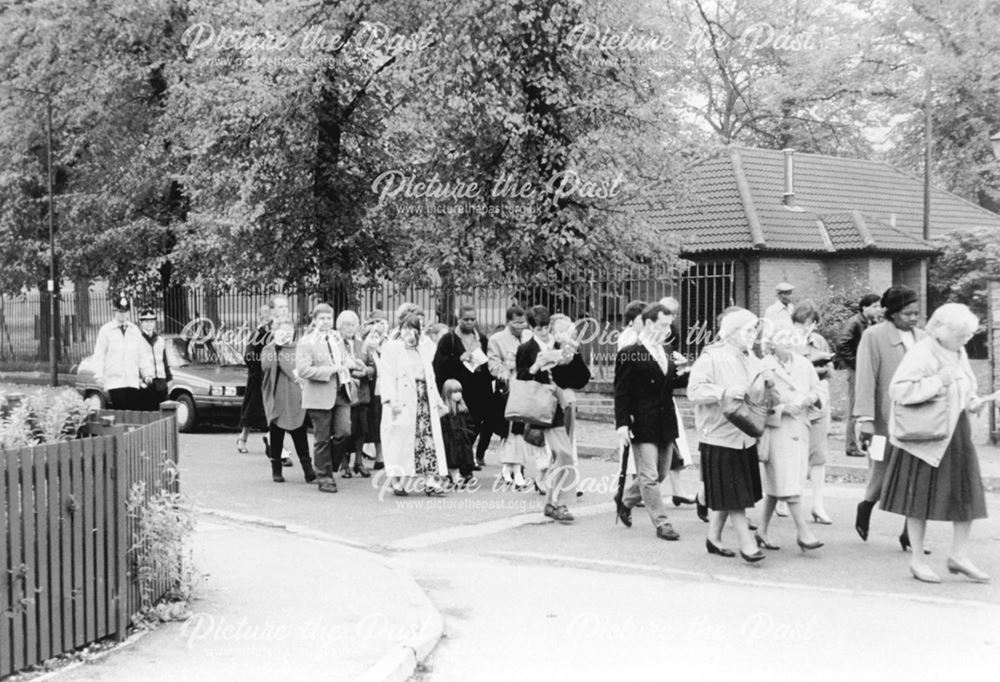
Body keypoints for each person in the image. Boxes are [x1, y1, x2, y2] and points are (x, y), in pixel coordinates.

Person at [879, 303, 990, 583]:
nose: (966, 340)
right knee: (920, 500)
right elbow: (899, 390)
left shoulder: (958, 350)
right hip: (926, 437)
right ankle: (916, 560)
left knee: (967, 497)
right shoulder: (922, 351)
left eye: (968, 335)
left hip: (956, 433)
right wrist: (937, 382)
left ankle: (959, 556)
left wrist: (973, 401)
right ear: (941, 330)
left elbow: (965, 386)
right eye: (961, 335)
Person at [687, 307, 766, 563]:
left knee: (730, 489)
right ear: (731, 333)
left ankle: (713, 538)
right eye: (748, 329)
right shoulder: (712, 356)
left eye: (755, 329)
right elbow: (694, 391)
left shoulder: (750, 357)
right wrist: (722, 392)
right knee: (735, 495)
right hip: (719, 435)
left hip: (744, 434)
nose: (753, 334)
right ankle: (747, 543)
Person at [854, 286, 926, 549]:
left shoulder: (923, 338)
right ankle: (866, 506)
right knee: (880, 474)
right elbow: (865, 378)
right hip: (883, 420)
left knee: (917, 477)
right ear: (893, 313)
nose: (914, 318)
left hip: (917, 421)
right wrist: (865, 418)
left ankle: (910, 533)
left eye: (917, 313)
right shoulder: (873, 336)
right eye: (908, 313)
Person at [613, 302, 684, 541]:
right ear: (650, 323)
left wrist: (684, 374)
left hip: (665, 420)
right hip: (641, 421)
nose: (667, 329)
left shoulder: (665, 350)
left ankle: (625, 500)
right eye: (663, 324)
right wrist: (622, 425)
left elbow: (668, 383)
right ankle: (662, 523)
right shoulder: (630, 352)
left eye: (669, 325)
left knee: (662, 472)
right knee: (649, 475)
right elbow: (621, 392)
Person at [755, 322, 826, 553]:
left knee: (782, 483)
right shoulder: (763, 367)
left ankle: (762, 531)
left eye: (791, 339)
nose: (788, 343)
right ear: (771, 343)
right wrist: (781, 409)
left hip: (800, 427)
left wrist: (811, 398)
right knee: (788, 482)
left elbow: (819, 389)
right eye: (782, 339)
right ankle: (803, 533)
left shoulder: (804, 364)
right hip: (777, 430)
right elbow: (755, 403)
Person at [516, 305, 591, 523]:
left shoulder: (559, 344)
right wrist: (536, 366)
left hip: (557, 407)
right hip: (537, 405)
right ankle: (556, 502)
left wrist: (571, 357)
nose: (543, 331)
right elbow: (521, 380)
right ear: (531, 327)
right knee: (561, 454)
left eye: (546, 326)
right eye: (538, 328)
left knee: (565, 455)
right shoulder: (526, 349)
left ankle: (554, 501)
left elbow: (580, 379)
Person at [380, 313, 449, 496]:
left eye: (414, 329)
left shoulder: (423, 350)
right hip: (401, 400)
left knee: (426, 440)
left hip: (423, 401)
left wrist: (438, 401)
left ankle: (430, 481)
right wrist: (389, 399)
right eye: (405, 328)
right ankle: (397, 480)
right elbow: (385, 374)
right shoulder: (392, 348)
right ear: (399, 330)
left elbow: (431, 377)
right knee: (399, 440)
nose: (409, 333)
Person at [295, 303, 351, 494]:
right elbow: (303, 370)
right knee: (322, 438)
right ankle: (324, 477)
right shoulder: (306, 341)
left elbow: (343, 360)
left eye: (329, 318)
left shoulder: (337, 338)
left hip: (341, 391)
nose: (326, 322)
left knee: (344, 432)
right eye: (322, 318)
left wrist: (352, 365)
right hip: (319, 394)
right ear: (315, 320)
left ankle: (330, 465)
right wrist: (331, 370)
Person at [789, 300, 835, 524]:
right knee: (794, 456)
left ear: (814, 323)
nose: (801, 328)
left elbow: (830, 372)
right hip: (798, 406)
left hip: (818, 403)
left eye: (806, 324)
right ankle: (784, 499)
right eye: (798, 324)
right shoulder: (787, 342)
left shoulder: (820, 342)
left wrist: (823, 368)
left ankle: (818, 505)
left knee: (818, 457)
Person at [433, 305, 494, 469]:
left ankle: (469, 454)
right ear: (459, 319)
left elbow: (490, 362)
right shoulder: (449, 339)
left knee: (478, 422)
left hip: (480, 387)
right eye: (466, 319)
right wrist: (459, 359)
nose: (469, 322)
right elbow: (438, 364)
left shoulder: (482, 339)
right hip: (459, 389)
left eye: (472, 319)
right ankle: (461, 459)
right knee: (460, 424)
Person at [260, 320, 316, 484]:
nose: (286, 334)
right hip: (277, 398)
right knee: (276, 436)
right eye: (282, 331)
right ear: (275, 332)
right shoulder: (269, 349)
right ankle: (276, 470)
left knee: (300, 434)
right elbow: (265, 366)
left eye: (289, 330)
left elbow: (303, 366)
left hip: (296, 396)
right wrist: (276, 347)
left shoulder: (299, 348)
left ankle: (308, 470)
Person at [238, 295, 289, 454]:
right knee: (251, 411)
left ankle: (277, 444)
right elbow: (249, 355)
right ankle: (243, 438)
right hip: (259, 377)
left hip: (276, 376)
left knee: (274, 411)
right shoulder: (260, 332)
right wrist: (261, 367)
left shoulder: (284, 329)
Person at [835, 294, 883, 457]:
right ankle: (851, 445)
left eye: (879, 306)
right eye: (875, 306)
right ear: (865, 307)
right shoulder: (855, 322)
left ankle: (866, 443)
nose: (878, 309)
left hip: (868, 369)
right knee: (856, 408)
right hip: (857, 370)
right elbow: (842, 344)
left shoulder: (873, 323)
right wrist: (857, 363)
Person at [487, 305, 530, 479]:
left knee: (520, 429)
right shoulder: (497, 339)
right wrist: (509, 366)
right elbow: (493, 366)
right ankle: (509, 466)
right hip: (508, 389)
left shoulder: (528, 336)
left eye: (523, 322)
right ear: (508, 321)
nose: (520, 326)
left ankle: (517, 466)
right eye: (516, 322)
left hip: (527, 386)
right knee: (510, 429)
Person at [92, 295, 153, 412]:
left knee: (132, 413)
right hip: (115, 381)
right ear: (114, 311)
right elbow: (99, 355)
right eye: (120, 312)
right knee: (120, 413)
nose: (122, 315)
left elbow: (142, 354)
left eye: (125, 312)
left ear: (128, 312)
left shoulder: (134, 330)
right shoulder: (106, 330)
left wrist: (147, 373)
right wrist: (99, 376)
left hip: (132, 380)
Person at [337, 310, 375, 479]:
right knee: (345, 429)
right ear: (339, 327)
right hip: (345, 393)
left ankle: (359, 462)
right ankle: (344, 464)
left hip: (362, 392)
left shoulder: (362, 345)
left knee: (361, 429)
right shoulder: (336, 344)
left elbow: (373, 365)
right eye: (346, 324)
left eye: (353, 324)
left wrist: (366, 371)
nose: (350, 328)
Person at [361, 310, 389, 471]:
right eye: (377, 321)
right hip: (368, 386)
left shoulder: (389, 340)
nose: (380, 325)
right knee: (365, 422)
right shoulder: (366, 338)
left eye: (383, 321)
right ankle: (359, 455)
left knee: (380, 421)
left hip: (383, 387)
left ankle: (380, 456)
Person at [440, 379, 476, 486]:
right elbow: (443, 426)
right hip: (450, 439)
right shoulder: (445, 410)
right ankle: (454, 476)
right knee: (452, 458)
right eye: (455, 392)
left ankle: (462, 474)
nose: (458, 395)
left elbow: (470, 423)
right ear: (448, 393)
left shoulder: (462, 409)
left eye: (460, 392)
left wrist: (469, 433)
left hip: (463, 438)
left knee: (464, 457)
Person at [137, 309, 171, 411]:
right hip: (146, 383)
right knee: (148, 413)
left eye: (152, 321)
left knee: (164, 413)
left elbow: (164, 360)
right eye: (146, 321)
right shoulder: (138, 340)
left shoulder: (160, 340)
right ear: (141, 323)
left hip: (161, 382)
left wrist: (169, 378)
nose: (149, 324)